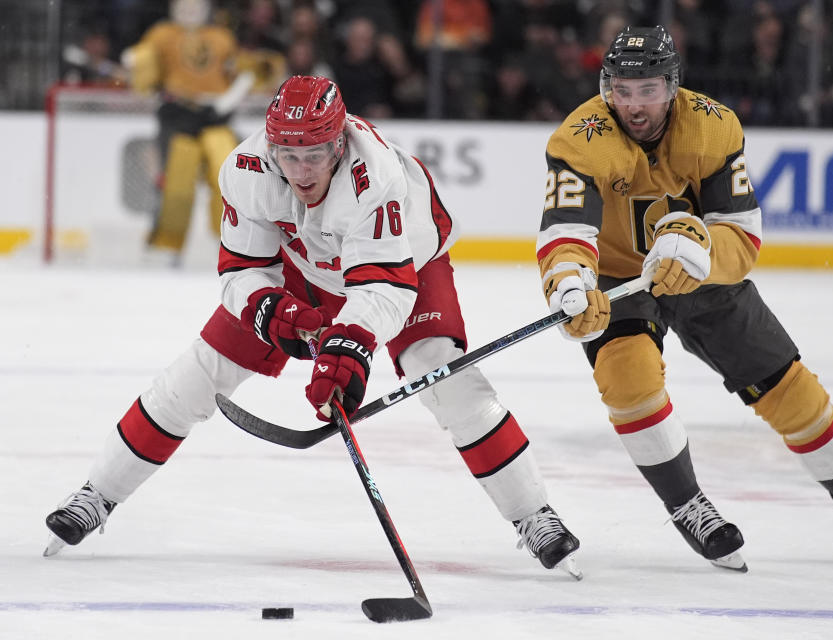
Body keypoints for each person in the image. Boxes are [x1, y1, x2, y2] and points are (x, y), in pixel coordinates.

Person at [43, 75, 581, 579]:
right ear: (272, 148)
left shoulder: (377, 177)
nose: (301, 170)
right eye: (289, 155)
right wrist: (269, 310)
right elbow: (241, 270)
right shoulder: (247, 169)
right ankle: (97, 495)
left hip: (405, 268)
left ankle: (533, 515)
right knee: (201, 369)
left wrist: (347, 350)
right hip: (306, 266)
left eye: (315, 155)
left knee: (444, 377)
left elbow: (382, 289)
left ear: (339, 146)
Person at [535, 25, 833, 571]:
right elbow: (565, 234)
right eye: (623, 90)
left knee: (785, 382)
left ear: (673, 87)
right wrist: (571, 282)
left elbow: (742, 234)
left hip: (698, 270)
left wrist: (699, 247)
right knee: (627, 380)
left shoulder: (712, 125)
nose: (634, 105)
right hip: (617, 278)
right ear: (607, 87)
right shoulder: (579, 138)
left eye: (649, 89)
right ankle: (687, 505)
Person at [122, 0, 253, 264]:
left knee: (225, 180)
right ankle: (167, 248)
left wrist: (227, 101)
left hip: (214, 116)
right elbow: (143, 65)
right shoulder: (162, 34)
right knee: (177, 185)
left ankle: (230, 245)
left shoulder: (221, 37)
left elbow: (242, 74)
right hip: (177, 115)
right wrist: (136, 61)